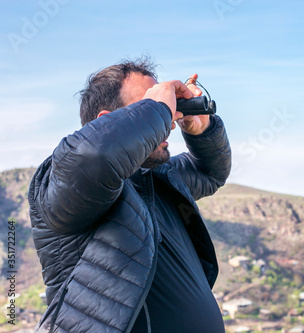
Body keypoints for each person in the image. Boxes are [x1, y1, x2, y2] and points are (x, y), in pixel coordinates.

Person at [28, 58, 231, 333]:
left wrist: (202, 131)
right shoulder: (70, 179)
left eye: (167, 110)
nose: (169, 122)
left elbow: (210, 172)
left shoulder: (157, 176)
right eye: (148, 106)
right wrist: (157, 107)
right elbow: (96, 156)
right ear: (107, 121)